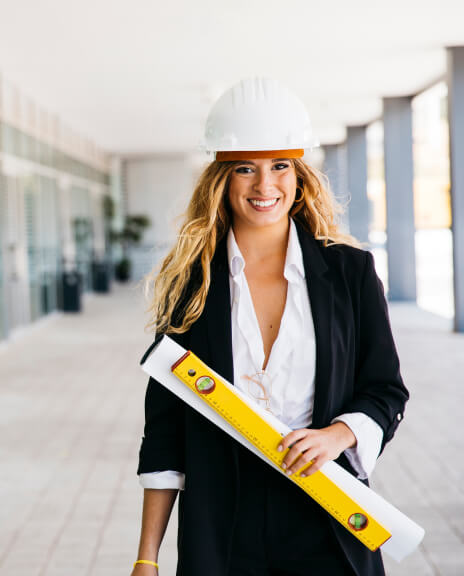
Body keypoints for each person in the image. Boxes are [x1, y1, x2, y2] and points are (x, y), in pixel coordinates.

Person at [131, 77, 409, 576]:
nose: (265, 186)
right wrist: (146, 557)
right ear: (221, 178)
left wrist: (338, 434)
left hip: (328, 516)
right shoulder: (191, 282)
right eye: (246, 168)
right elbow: (165, 427)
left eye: (280, 165)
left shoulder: (350, 273)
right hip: (222, 527)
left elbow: (385, 390)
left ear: (299, 174)